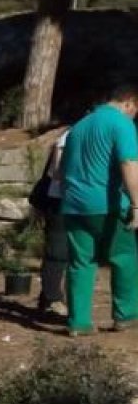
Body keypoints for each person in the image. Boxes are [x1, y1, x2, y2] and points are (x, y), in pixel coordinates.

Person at [59, 82, 138, 336]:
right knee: (124, 259)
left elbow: (61, 171)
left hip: (73, 205)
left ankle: (79, 323)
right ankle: (126, 315)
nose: (135, 114)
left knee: (81, 263)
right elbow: (128, 163)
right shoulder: (122, 123)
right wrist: (137, 203)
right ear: (129, 102)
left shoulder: (78, 127)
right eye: (135, 109)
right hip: (107, 205)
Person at [35, 129, 70, 316]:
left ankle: (48, 297)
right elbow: (57, 171)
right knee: (57, 251)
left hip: (71, 199)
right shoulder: (68, 135)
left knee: (62, 252)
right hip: (59, 199)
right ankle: (52, 298)